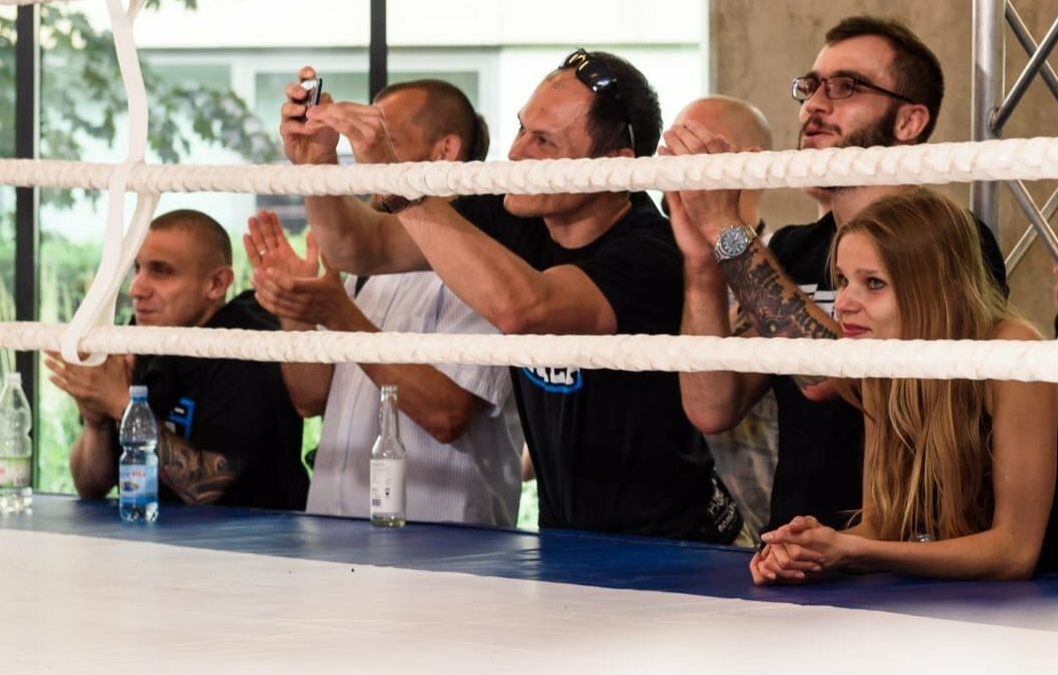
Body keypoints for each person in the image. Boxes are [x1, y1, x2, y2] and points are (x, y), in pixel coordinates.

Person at [284, 52, 741, 544]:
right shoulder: (513, 209)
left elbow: (524, 308)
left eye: (544, 141)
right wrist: (320, 168)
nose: (518, 153)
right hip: (568, 537)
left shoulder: (651, 252)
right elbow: (362, 247)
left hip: (672, 541)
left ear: (614, 168)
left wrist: (398, 183)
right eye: (522, 129)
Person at [664, 16, 1009, 537]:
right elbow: (713, 406)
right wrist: (701, 260)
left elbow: (832, 378)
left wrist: (726, 227)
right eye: (812, 86)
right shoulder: (792, 249)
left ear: (909, 122)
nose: (814, 106)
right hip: (797, 545)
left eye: (845, 87)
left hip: (904, 550)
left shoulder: (952, 241)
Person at [749, 190, 1058, 583]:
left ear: (931, 289)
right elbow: (880, 524)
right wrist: (811, 552)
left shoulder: (1013, 355)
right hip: (954, 608)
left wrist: (851, 551)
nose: (844, 303)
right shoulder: (878, 355)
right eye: (842, 280)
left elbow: (1014, 553)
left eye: (873, 283)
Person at [244, 79, 522, 527]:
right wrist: (296, 314)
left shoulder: (486, 258)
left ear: (445, 150)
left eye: (380, 137)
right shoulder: (368, 261)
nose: (364, 149)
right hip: (335, 534)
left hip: (445, 553)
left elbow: (448, 414)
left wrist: (341, 316)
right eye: (359, 137)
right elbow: (310, 399)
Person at [51, 209, 307, 511]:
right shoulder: (144, 335)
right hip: (154, 540)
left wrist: (122, 405)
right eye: (138, 269)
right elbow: (90, 486)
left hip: (252, 548)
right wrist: (96, 422)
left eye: (161, 271)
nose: (136, 289)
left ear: (215, 284)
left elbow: (204, 490)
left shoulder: (245, 347)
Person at [665, 95, 779, 536]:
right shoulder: (675, 259)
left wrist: (720, 233)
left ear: (749, 162)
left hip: (801, 536)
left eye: (693, 147)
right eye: (671, 149)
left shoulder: (791, 259)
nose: (677, 166)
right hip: (713, 541)